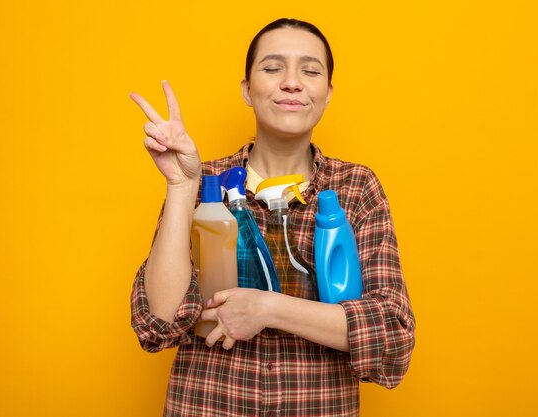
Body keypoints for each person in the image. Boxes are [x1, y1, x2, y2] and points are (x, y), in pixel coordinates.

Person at [130, 18, 415, 417]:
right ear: (247, 90)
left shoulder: (356, 188)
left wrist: (267, 308)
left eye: (310, 70)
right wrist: (181, 186)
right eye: (272, 67)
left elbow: (391, 337)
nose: (292, 82)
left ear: (327, 93)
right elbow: (158, 323)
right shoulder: (202, 183)